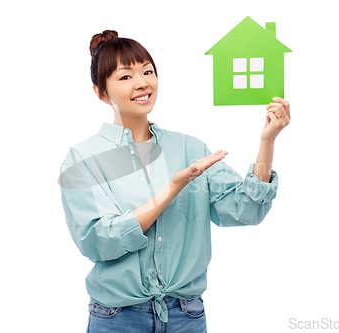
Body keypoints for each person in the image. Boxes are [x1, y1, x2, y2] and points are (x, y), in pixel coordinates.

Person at [59, 30, 290, 333]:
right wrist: (172, 189)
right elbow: (98, 241)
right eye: (125, 77)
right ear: (102, 93)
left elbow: (246, 210)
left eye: (147, 71)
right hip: (118, 319)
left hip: (186, 317)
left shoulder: (189, 149)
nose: (142, 82)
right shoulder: (83, 160)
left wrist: (267, 142)